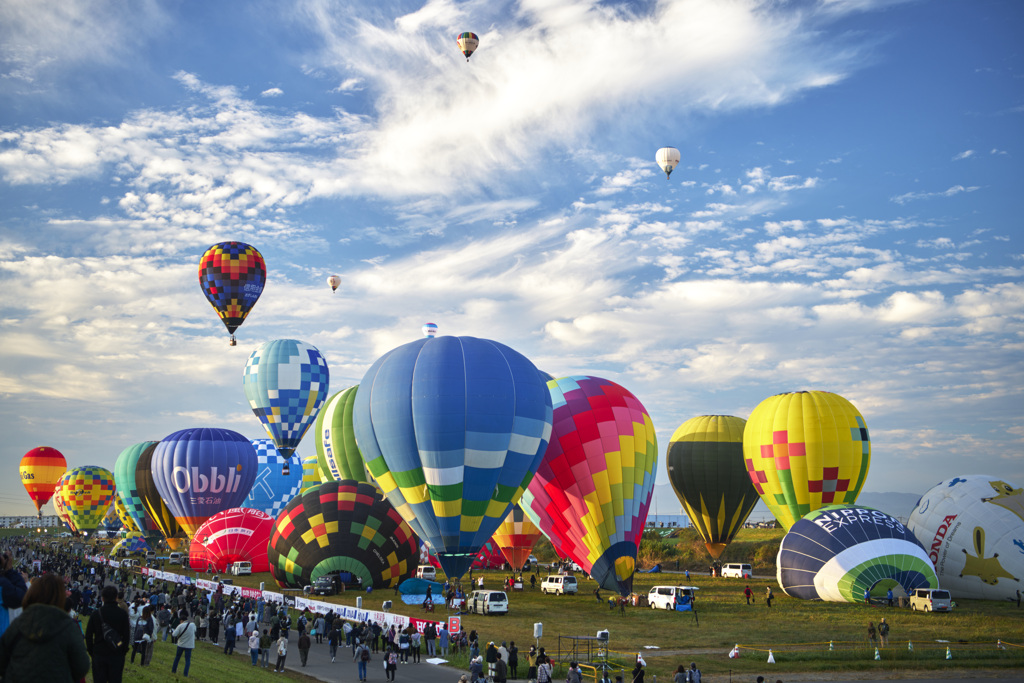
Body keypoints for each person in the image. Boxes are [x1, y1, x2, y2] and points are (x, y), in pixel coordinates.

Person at [0, 573, 90, 683]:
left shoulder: (19, 623)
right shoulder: (68, 627)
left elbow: (3, 660)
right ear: (60, 597)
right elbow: (82, 666)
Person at [86, 584, 131, 683]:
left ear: (102, 598)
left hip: (99, 653)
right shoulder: (122, 614)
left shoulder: (96, 614)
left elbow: (88, 635)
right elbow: (127, 635)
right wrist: (123, 651)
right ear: (116, 597)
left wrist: (92, 651)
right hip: (116, 654)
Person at [170, 609, 197, 677]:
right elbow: (195, 630)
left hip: (181, 644)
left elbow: (174, 634)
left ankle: (173, 670)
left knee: (177, 658)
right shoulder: (192, 625)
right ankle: (185, 674)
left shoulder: (180, 626)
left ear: (181, 620)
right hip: (189, 645)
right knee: (187, 660)